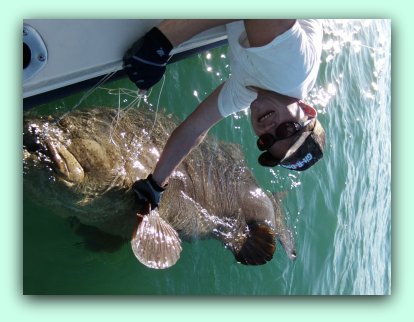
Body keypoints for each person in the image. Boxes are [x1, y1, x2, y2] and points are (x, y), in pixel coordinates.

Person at [123, 19, 326, 210]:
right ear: (306, 109)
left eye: (266, 141)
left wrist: (155, 185)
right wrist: (163, 41)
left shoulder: (251, 93)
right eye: (286, 129)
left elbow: (195, 129)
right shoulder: (292, 70)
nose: (269, 129)